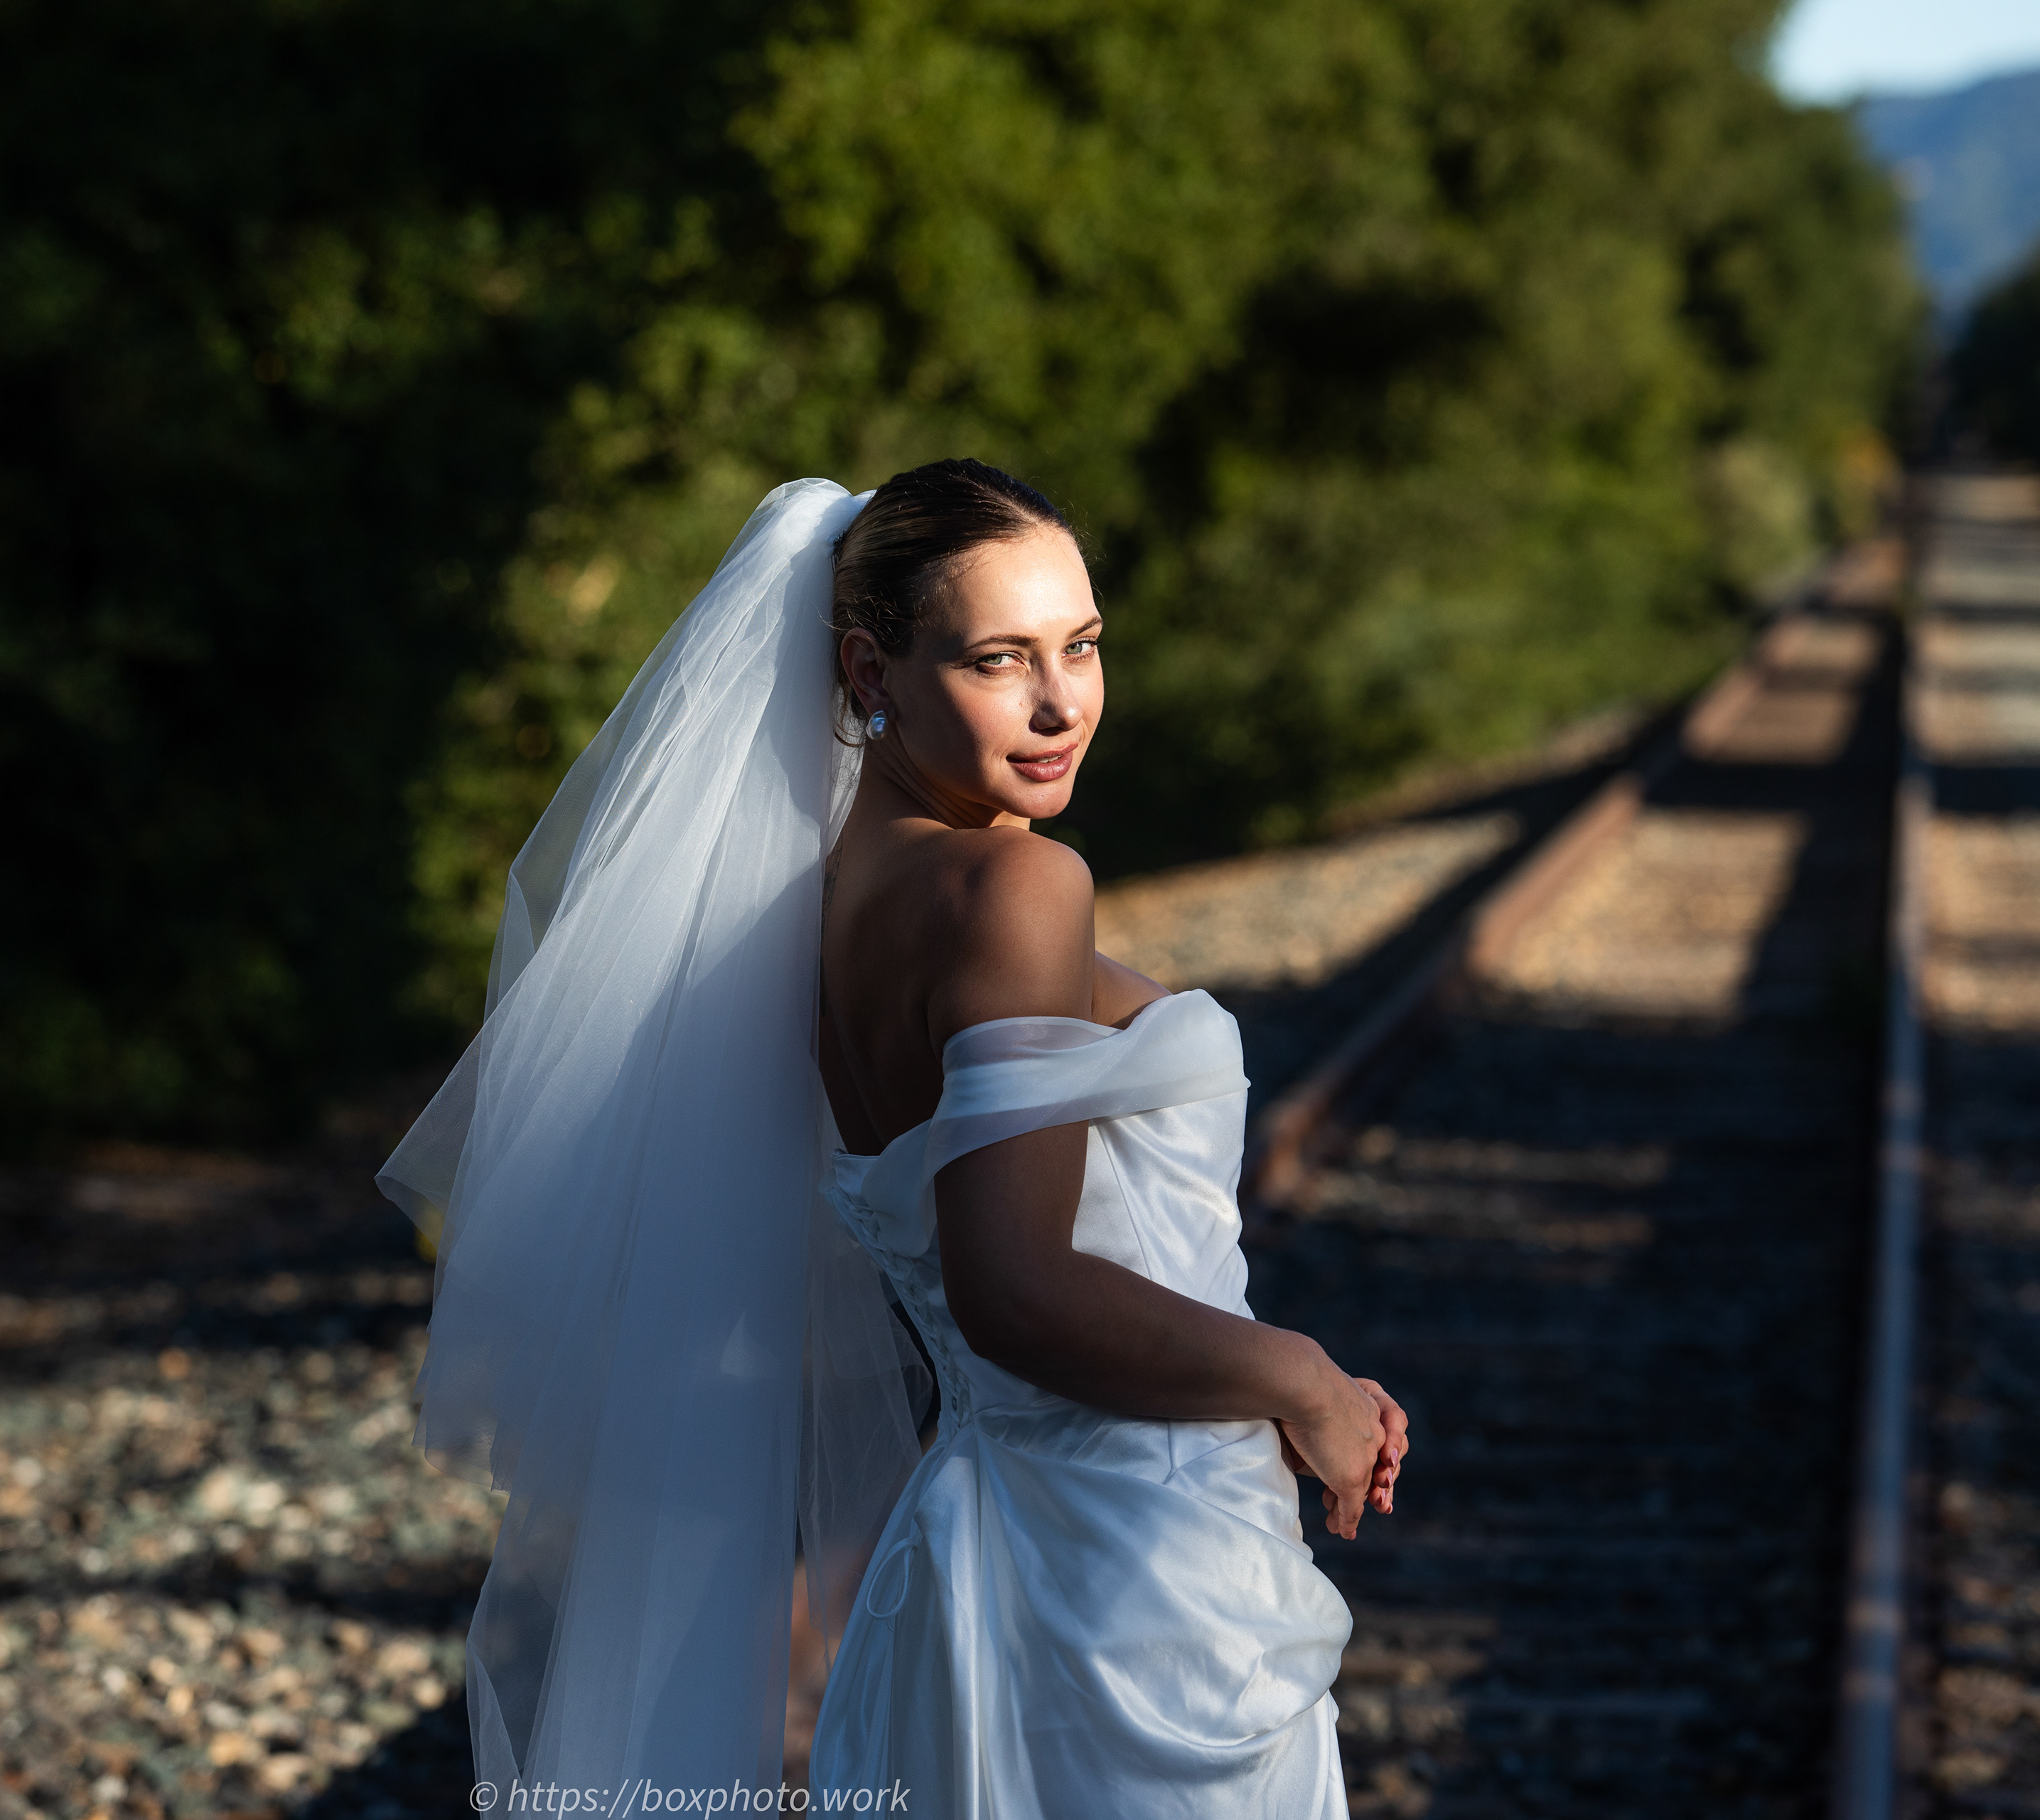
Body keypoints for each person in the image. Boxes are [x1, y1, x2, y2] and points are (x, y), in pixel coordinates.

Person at [380, 460, 1406, 1814]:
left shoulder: (807, 917)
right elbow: (1014, 1290)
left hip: (976, 1543)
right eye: (1000, 661)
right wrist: (1304, 1378)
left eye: (1082, 646)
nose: (1062, 705)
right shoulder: (1019, 885)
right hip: (1134, 1573)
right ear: (872, 670)